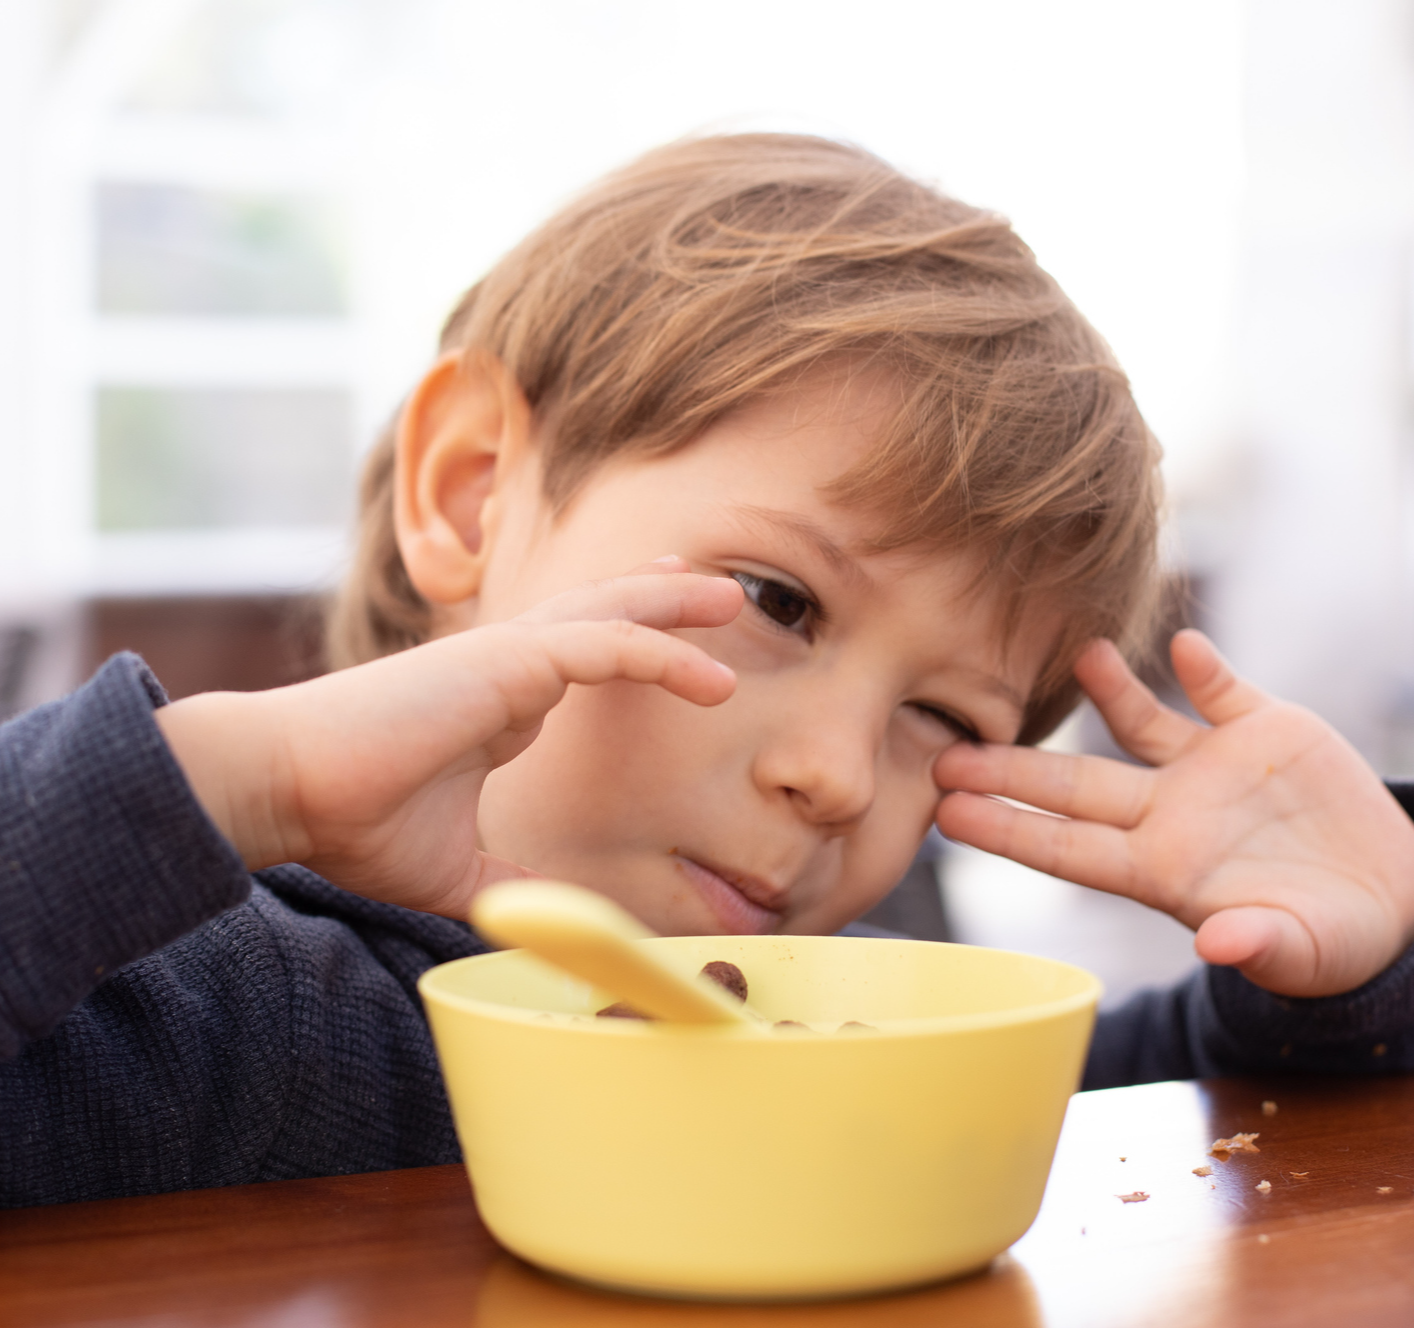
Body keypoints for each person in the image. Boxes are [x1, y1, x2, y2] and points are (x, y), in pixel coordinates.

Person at [2, 134, 1411, 1210]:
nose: (838, 775)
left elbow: (1198, 1100)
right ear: (475, 493)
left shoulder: (828, 1025)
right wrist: (249, 774)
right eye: (778, 599)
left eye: (941, 715)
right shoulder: (241, 1010)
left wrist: (1339, 961)